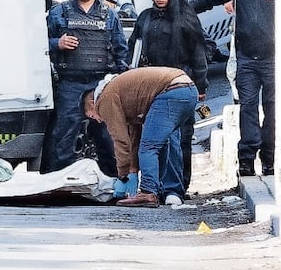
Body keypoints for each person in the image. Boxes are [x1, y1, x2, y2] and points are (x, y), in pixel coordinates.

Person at [191, 0, 275, 177]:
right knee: (247, 108)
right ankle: (247, 160)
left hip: (274, 60)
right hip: (247, 60)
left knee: (273, 110)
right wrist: (182, 7)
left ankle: (269, 160)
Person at [42, 0, 129, 175]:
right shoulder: (59, 13)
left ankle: (115, 181)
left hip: (100, 82)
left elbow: (120, 49)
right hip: (69, 82)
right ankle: (58, 180)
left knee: (107, 135)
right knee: (64, 134)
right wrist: (57, 44)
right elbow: (40, 43)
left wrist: (121, 81)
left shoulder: (109, 14)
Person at [128, 0, 208, 200]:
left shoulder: (185, 18)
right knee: (155, 138)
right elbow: (134, 47)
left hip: (180, 85)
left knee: (181, 138)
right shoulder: (145, 18)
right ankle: (160, 186)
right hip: (151, 86)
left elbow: (198, 54)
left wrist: (201, 85)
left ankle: (179, 186)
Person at [83, 67, 199, 208]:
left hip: (171, 92)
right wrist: (132, 170)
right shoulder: (124, 94)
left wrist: (123, 177)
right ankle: (157, 189)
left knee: (149, 148)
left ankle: (148, 192)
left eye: (91, 115)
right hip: (189, 91)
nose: (98, 119)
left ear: (91, 103)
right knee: (161, 144)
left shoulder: (104, 99)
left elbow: (120, 140)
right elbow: (134, 138)